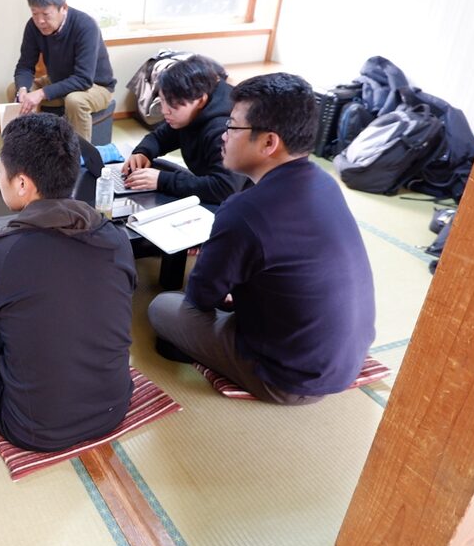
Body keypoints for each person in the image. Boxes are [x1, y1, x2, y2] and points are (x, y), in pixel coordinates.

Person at [147, 73, 375, 405]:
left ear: (268, 143)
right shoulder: (324, 182)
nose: (223, 135)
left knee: (162, 306)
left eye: (232, 126)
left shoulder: (244, 211)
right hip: (345, 358)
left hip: (289, 379)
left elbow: (201, 297)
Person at [0, 113, 135, 451]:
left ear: (21, 184)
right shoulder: (116, 238)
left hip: (37, 429)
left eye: (2, 169)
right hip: (114, 407)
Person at [121, 54, 248, 204]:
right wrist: (143, 152)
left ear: (200, 101)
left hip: (242, 203)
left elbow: (224, 188)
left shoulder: (223, 130)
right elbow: (160, 138)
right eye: (163, 101)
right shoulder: (190, 112)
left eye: (173, 106)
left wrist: (161, 180)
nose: (164, 111)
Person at [7, 0, 116, 142]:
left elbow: (83, 79)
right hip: (58, 80)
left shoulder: (86, 26)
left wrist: (42, 93)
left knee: (75, 101)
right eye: (35, 13)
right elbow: (25, 66)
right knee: (13, 90)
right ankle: (31, 146)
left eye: (46, 14)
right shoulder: (33, 26)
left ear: (63, 8)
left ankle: (78, 154)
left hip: (96, 85)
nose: (40, 21)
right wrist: (22, 89)